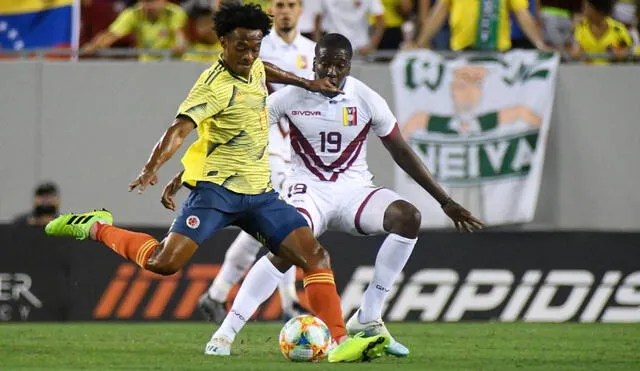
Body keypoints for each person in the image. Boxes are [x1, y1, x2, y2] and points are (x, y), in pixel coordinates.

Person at [45, 3, 390, 363]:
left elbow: (264, 69)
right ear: (222, 41)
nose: (249, 55)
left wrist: (305, 82)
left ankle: (338, 342)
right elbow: (179, 130)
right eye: (241, 47)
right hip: (216, 193)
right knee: (164, 263)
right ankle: (97, 227)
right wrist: (153, 167)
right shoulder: (213, 86)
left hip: (259, 194)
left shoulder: (253, 64)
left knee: (316, 256)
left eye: (255, 46)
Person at [171, 32, 482, 358]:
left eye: (339, 65)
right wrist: (189, 172)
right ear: (313, 61)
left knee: (408, 217)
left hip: (354, 190)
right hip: (307, 190)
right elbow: (239, 136)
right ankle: (225, 332)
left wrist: (445, 201)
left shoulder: (366, 98)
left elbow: (401, 151)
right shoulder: (289, 97)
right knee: (287, 250)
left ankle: (369, 316)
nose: (331, 71)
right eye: (325, 63)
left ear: (349, 65)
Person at [197, 0, 317, 323]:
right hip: (266, 144)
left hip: (300, 149)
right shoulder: (256, 45)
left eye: (292, 4)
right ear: (272, 9)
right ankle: (289, 302)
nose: (286, 10)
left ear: (301, 10)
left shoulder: (313, 51)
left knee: (262, 229)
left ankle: (216, 294)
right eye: (280, 4)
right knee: (284, 220)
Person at [412, 0, 547, 51]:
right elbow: (440, 10)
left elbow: (521, 13)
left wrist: (540, 44)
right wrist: (420, 43)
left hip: (496, 54)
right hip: (462, 54)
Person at [82, 0, 188, 61]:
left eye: (154, 1)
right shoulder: (133, 13)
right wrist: (94, 46)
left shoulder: (175, 13)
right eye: (146, 1)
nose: (150, 6)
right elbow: (111, 34)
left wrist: (180, 45)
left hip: (172, 63)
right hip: (145, 65)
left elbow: (180, 37)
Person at [314, 0, 387, 56]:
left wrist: (371, 46)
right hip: (334, 48)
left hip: (360, 49)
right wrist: (319, 45)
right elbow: (317, 18)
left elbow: (380, 19)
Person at [571, 0, 633, 64]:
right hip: (587, 72)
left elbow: (629, 50)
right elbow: (575, 49)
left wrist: (622, 52)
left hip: (613, 72)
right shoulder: (580, 27)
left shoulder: (618, 29)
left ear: (598, 10)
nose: (583, 11)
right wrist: (576, 52)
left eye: (587, 7)